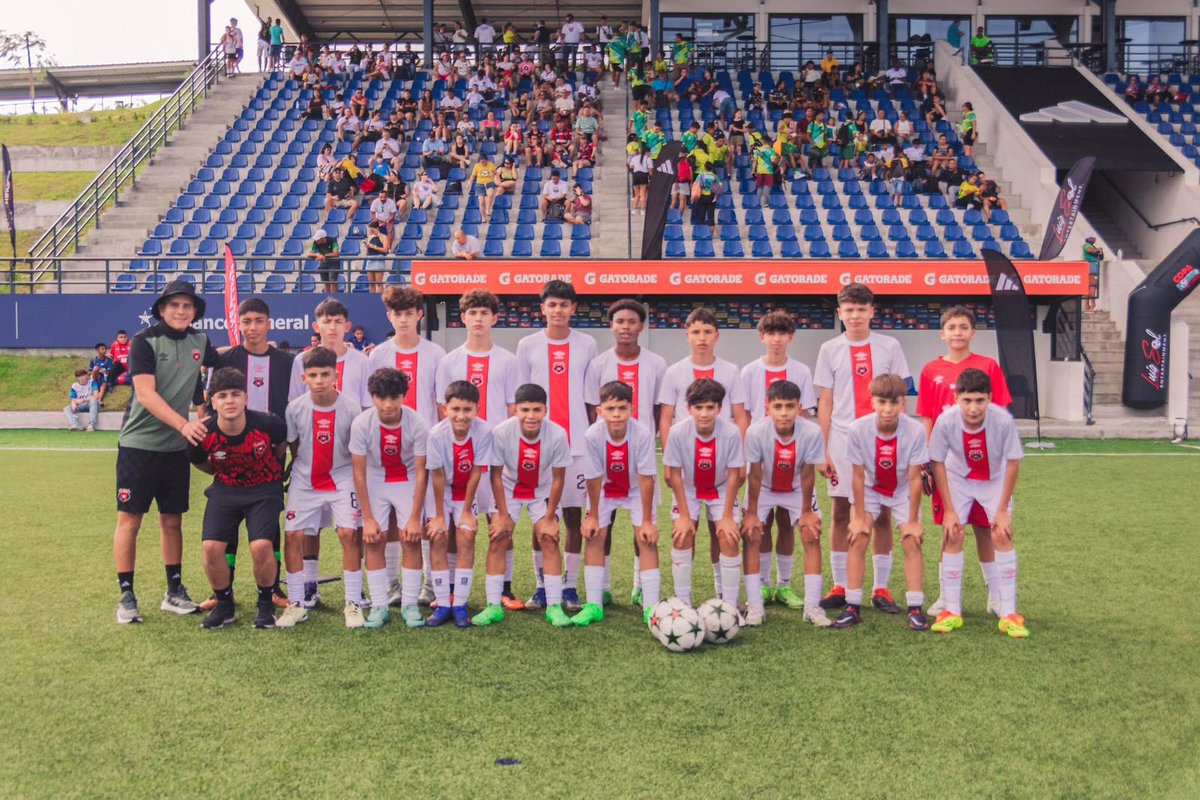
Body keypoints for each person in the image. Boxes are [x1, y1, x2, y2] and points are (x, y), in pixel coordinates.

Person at [113, 279, 220, 623]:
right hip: (139, 445)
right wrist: (184, 425)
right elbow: (146, 395)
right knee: (130, 520)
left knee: (172, 520)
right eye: (174, 305)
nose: (181, 311)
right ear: (161, 309)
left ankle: (174, 591)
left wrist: (259, 346)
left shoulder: (199, 340)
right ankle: (126, 595)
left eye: (187, 305)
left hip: (175, 449)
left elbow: (217, 364)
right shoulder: (144, 342)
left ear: (195, 311)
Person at [814, 282, 911, 612]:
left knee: (881, 512)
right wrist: (822, 449)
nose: (855, 315)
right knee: (841, 511)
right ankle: (840, 583)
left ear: (872, 311)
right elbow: (825, 401)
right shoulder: (829, 349)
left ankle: (880, 588)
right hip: (842, 441)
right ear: (840, 313)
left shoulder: (890, 346)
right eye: (849, 310)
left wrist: (901, 441)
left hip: (882, 441)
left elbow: (900, 398)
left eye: (861, 309)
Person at [917, 306, 1012, 617]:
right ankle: (947, 596)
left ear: (973, 332)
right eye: (951, 327)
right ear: (941, 334)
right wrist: (927, 460)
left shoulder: (988, 366)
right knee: (952, 528)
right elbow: (927, 416)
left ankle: (996, 595)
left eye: (963, 327)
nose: (957, 332)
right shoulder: (931, 370)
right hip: (949, 465)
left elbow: (1000, 413)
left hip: (984, 463)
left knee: (986, 529)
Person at [434, 289, 522, 611]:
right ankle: (452, 589)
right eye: (473, 313)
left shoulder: (508, 361)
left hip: (497, 457)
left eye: (485, 313)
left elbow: (513, 409)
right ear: (463, 317)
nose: (479, 318)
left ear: (495, 318)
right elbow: (442, 409)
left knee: (500, 523)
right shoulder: (449, 361)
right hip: (461, 458)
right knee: (458, 524)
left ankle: (504, 589)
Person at [516, 281, 597, 613]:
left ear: (573, 309)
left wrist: (592, 440)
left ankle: (570, 586)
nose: (558, 310)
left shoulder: (587, 344)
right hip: (540, 447)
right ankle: (541, 585)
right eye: (552, 304)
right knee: (541, 517)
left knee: (574, 516)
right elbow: (522, 399)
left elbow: (591, 400)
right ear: (543, 309)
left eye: (564, 304)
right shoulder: (527, 345)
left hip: (577, 445)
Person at [929, 368, 1028, 638]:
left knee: (1001, 534)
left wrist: (1002, 510)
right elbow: (937, 461)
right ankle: (952, 610)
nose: (973, 408)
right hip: (959, 477)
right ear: (957, 398)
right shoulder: (946, 421)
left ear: (990, 398)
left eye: (980, 400)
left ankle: (1008, 613)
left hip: (994, 478)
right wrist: (950, 510)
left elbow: (1013, 462)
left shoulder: (1002, 421)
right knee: (953, 533)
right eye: (967, 400)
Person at [187, 367, 287, 630]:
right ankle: (224, 605)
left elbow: (280, 450)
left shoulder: (269, 423)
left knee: (261, 546)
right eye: (222, 396)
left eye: (235, 394)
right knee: (211, 547)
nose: (229, 401)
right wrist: (222, 474)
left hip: (264, 489)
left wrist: (269, 476)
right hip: (226, 489)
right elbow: (199, 461)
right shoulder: (202, 433)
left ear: (246, 398)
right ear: (213, 402)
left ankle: (265, 605)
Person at [832, 374, 930, 630]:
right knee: (858, 536)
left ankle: (915, 608)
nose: (888, 409)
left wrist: (912, 521)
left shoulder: (915, 430)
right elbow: (857, 475)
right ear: (872, 401)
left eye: (894, 402)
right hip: (870, 488)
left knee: (911, 540)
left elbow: (915, 478)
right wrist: (858, 517)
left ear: (903, 403)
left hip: (901, 488)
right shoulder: (858, 429)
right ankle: (852, 605)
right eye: (882, 402)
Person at [276, 347, 364, 629]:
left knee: (348, 534)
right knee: (293, 536)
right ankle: (297, 604)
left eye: (325, 374)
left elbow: (355, 449)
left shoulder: (351, 407)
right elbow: (293, 444)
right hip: (305, 479)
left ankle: (353, 602)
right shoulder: (295, 408)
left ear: (335, 376)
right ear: (304, 378)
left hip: (341, 477)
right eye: (313, 375)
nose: (319, 380)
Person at [369, 286, 446, 604]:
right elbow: (372, 404)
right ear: (389, 316)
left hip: (424, 450)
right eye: (397, 314)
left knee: (425, 517)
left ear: (419, 315)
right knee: (388, 518)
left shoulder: (435, 354)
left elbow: (440, 405)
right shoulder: (378, 355)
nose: (403, 319)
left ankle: (430, 585)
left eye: (408, 313)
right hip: (387, 450)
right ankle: (391, 585)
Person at [741, 379, 829, 626]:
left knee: (811, 533)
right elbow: (754, 475)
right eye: (777, 406)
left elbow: (808, 474)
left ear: (799, 407)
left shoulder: (811, 432)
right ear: (767, 408)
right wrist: (752, 513)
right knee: (752, 533)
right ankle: (755, 606)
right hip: (764, 487)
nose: (783, 413)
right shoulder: (756, 432)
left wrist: (806, 512)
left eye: (790, 406)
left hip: (796, 488)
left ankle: (812, 607)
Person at [349, 368, 430, 630]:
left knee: (411, 538)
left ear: (404, 396)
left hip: (407, 479)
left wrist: (415, 517)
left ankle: (410, 604)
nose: (387, 404)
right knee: (374, 539)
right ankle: (379, 606)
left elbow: (422, 472)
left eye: (394, 397)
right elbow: (359, 473)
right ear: (372, 397)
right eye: (381, 397)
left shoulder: (417, 423)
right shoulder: (362, 424)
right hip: (375, 480)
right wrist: (368, 518)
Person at [662, 379, 750, 616]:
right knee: (682, 534)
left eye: (710, 407)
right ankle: (683, 605)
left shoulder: (731, 432)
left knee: (728, 536)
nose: (704, 413)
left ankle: (729, 605)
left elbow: (734, 474)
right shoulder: (677, 432)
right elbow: (674, 474)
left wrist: (727, 517)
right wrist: (684, 515)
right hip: (689, 488)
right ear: (688, 408)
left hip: (720, 486)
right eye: (698, 407)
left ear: (719, 408)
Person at [575, 381, 660, 626]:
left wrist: (647, 521)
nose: (616, 414)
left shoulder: (642, 434)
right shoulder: (592, 435)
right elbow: (593, 476)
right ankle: (594, 605)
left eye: (622, 408)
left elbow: (646, 478)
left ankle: (651, 607)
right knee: (594, 536)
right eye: (610, 408)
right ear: (599, 410)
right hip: (605, 488)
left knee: (646, 538)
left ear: (631, 409)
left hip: (635, 489)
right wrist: (592, 515)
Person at [489, 384, 574, 627]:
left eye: (537, 410)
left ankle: (554, 606)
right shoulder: (501, 432)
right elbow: (495, 475)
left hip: (541, 490)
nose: (531, 416)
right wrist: (502, 515)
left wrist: (549, 517)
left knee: (549, 538)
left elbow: (558, 479)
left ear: (545, 410)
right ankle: (493, 605)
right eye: (525, 410)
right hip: (509, 488)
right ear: (515, 410)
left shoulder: (557, 434)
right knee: (498, 537)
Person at [425, 380, 492, 627]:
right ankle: (443, 604)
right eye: (455, 409)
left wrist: (466, 511)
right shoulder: (436, 434)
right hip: (440, 492)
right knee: (438, 536)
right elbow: (437, 476)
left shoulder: (484, 431)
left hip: (465, 492)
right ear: (445, 409)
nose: (461, 416)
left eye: (467, 410)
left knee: (467, 535)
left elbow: (476, 471)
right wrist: (439, 516)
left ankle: (460, 603)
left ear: (477, 410)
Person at [658, 307, 750, 442]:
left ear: (717, 336)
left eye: (708, 332)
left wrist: (737, 451)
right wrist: (669, 453)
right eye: (696, 332)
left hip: (722, 448)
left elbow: (740, 417)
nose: (702, 338)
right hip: (685, 448)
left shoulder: (731, 371)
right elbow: (665, 419)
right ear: (687, 336)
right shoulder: (673, 372)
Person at [308, 229, 341, 294]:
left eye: (318, 239)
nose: (317, 240)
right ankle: (327, 296)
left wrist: (324, 255)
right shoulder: (315, 242)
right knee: (326, 281)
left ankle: (334, 297)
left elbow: (336, 253)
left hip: (334, 263)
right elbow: (309, 253)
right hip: (323, 262)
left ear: (323, 238)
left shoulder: (333, 241)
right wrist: (317, 255)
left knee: (333, 280)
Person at [628, 142, 651, 215]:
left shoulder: (634, 158)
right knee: (643, 195)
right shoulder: (648, 159)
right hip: (643, 176)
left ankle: (634, 209)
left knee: (636, 195)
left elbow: (631, 167)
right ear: (647, 152)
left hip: (635, 176)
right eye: (649, 152)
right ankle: (642, 210)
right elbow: (650, 170)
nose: (650, 154)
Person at [1083, 236, 1105, 311]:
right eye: (1092, 238)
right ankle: (1093, 305)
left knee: (1089, 286)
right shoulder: (1087, 245)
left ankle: (1087, 306)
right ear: (1088, 238)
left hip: (1092, 266)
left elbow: (1100, 257)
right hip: (1092, 266)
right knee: (1092, 286)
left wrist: (1100, 251)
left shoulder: (1092, 246)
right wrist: (1098, 250)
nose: (1094, 239)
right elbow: (1089, 250)